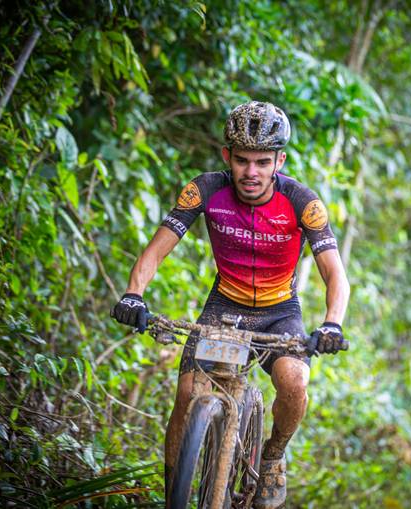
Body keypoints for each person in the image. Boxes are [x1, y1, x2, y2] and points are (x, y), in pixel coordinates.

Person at [111, 100, 350, 509]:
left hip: (279, 314)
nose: (251, 172)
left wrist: (332, 323)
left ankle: (272, 456)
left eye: (262, 162)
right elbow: (157, 249)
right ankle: (174, 497)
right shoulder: (205, 190)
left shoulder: (302, 202)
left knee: (294, 382)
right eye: (242, 160)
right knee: (186, 395)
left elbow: (335, 273)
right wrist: (134, 293)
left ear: (279, 161)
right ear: (227, 156)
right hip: (225, 309)